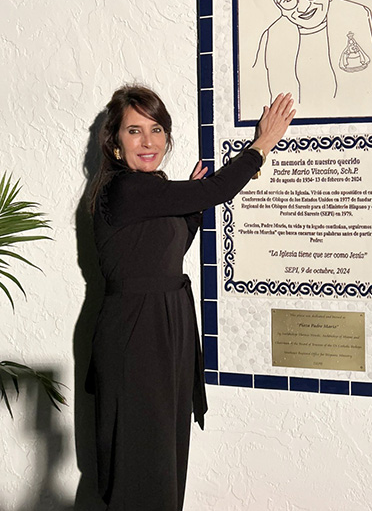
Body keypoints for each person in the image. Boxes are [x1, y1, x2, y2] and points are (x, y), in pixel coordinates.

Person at [86, 84, 294, 511]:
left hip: (167, 323)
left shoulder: (151, 191)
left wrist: (189, 209)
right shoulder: (126, 189)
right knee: (140, 456)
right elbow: (214, 191)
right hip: (136, 332)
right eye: (134, 131)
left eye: (157, 130)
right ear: (115, 142)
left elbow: (164, 254)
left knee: (164, 452)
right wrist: (262, 145)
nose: (148, 142)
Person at [245, 0, 372, 120]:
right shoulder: (271, 37)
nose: (303, 7)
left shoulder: (357, 16)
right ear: (278, 4)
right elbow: (256, 94)